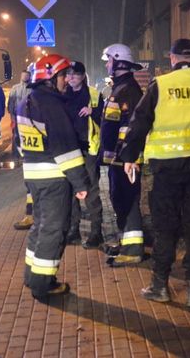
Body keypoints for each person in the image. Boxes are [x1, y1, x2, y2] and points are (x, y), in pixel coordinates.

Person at [119, 39, 190, 307]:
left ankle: (160, 286)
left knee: (165, 228)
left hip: (167, 169)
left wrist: (130, 156)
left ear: (173, 58)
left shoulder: (160, 85)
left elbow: (139, 122)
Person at [16, 54, 89, 300]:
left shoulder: (25, 102)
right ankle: (43, 285)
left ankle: (32, 276)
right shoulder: (52, 105)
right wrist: (80, 183)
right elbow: (65, 147)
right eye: (62, 75)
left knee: (40, 226)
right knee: (53, 231)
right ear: (49, 78)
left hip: (34, 178)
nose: (67, 80)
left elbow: (20, 143)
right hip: (55, 179)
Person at [100, 43, 144, 267]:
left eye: (109, 61)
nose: (107, 65)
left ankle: (134, 250)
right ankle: (126, 242)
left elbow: (132, 128)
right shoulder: (120, 88)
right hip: (118, 159)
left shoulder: (129, 90)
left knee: (128, 200)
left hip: (125, 160)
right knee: (120, 199)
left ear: (118, 62)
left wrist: (130, 158)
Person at [63, 61, 105, 248]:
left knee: (91, 191)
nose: (71, 77)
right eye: (68, 74)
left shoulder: (94, 94)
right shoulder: (61, 95)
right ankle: (74, 229)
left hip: (88, 149)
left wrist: (93, 111)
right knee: (71, 191)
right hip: (69, 150)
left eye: (75, 74)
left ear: (83, 76)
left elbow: (106, 117)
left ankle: (96, 232)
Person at [9, 70, 34, 231]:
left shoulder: (34, 93)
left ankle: (33, 216)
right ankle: (31, 215)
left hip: (38, 161)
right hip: (32, 156)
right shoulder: (15, 89)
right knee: (30, 187)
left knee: (32, 187)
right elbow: (11, 105)